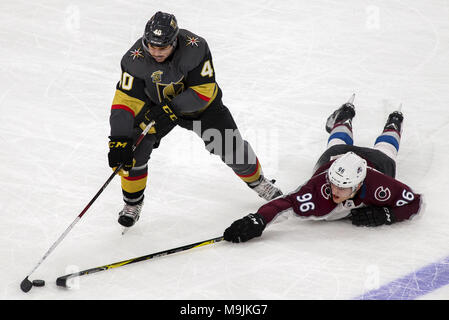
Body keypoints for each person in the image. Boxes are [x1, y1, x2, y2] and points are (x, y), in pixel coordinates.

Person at [108, 11, 282, 228]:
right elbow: (125, 102)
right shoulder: (134, 59)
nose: (155, 52)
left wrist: (171, 109)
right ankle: (132, 203)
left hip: (200, 109)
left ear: (174, 41)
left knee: (230, 146)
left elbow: (204, 91)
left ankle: (258, 182)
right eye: (151, 46)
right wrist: (118, 139)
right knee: (133, 150)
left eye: (162, 47)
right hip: (156, 109)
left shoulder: (195, 47)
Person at [223, 97, 423, 243]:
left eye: (343, 188)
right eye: (334, 184)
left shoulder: (380, 185)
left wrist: (387, 215)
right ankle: (344, 116)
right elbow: (284, 204)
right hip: (334, 159)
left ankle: (395, 122)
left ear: (358, 184)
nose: (335, 191)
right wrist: (258, 219)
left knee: (386, 151)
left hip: (375, 163)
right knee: (336, 145)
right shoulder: (319, 188)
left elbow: (415, 202)